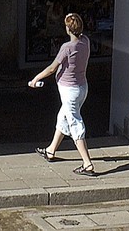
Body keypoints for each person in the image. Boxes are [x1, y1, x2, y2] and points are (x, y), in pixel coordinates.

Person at [28, 12, 96, 176]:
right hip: (82, 88)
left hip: (69, 91)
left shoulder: (67, 48)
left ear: (67, 29)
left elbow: (52, 68)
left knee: (75, 124)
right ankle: (51, 151)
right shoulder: (85, 41)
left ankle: (87, 164)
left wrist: (35, 79)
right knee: (63, 117)